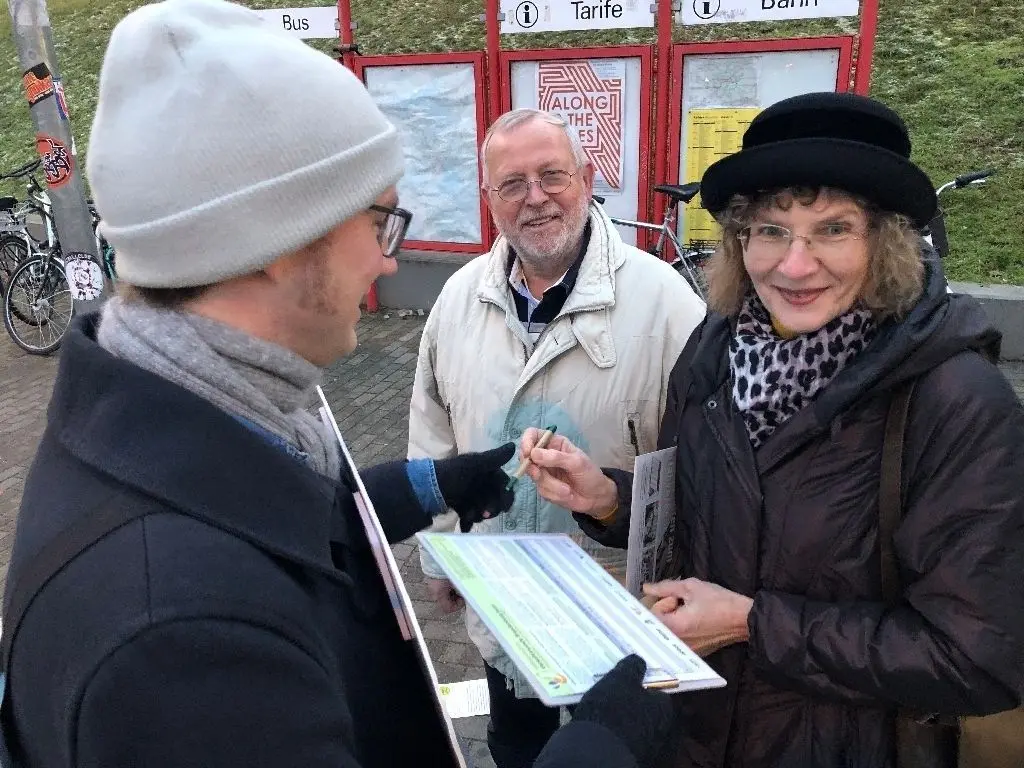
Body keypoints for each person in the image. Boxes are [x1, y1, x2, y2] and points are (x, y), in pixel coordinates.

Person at [0, 2, 675, 767]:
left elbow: (277, 519)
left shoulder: (195, 414)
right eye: (378, 220)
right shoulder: (184, 640)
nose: (390, 260)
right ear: (280, 245)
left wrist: (432, 486)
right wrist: (601, 746)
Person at [521, 91, 1024, 767]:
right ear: (739, 240)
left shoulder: (955, 401)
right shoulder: (716, 347)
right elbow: (706, 523)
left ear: (887, 242)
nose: (793, 265)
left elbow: (979, 656)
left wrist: (751, 624)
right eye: (771, 230)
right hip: (698, 735)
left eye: (833, 229)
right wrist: (609, 500)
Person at [410, 107, 706, 768]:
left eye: (553, 175)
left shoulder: (667, 304)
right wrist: (437, 557)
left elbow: (709, 470)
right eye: (512, 184)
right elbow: (431, 435)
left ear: (588, 178)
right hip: (502, 602)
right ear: (490, 201)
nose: (535, 197)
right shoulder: (459, 299)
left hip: (621, 614)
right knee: (517, 750)